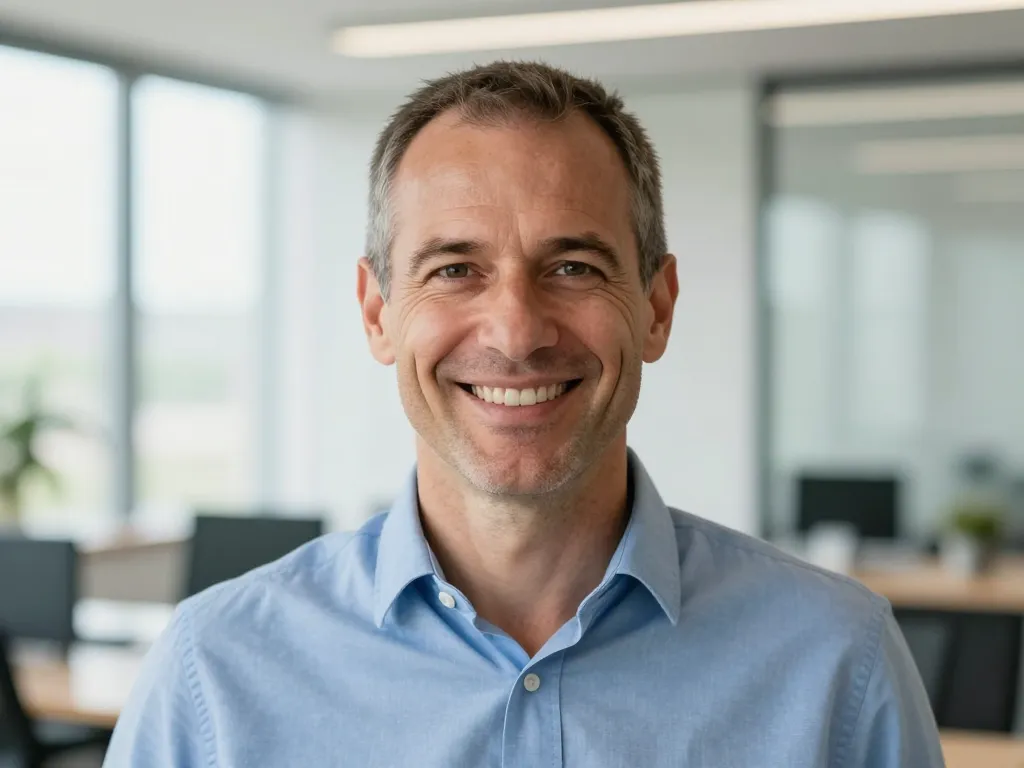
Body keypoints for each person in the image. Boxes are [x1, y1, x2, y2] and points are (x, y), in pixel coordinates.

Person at [104, 61, 944, 767]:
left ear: (656, 307)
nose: (516, 332)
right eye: (454, 269)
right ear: (376, 313)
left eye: (574, 266)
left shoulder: (838, 661)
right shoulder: (214, 675)